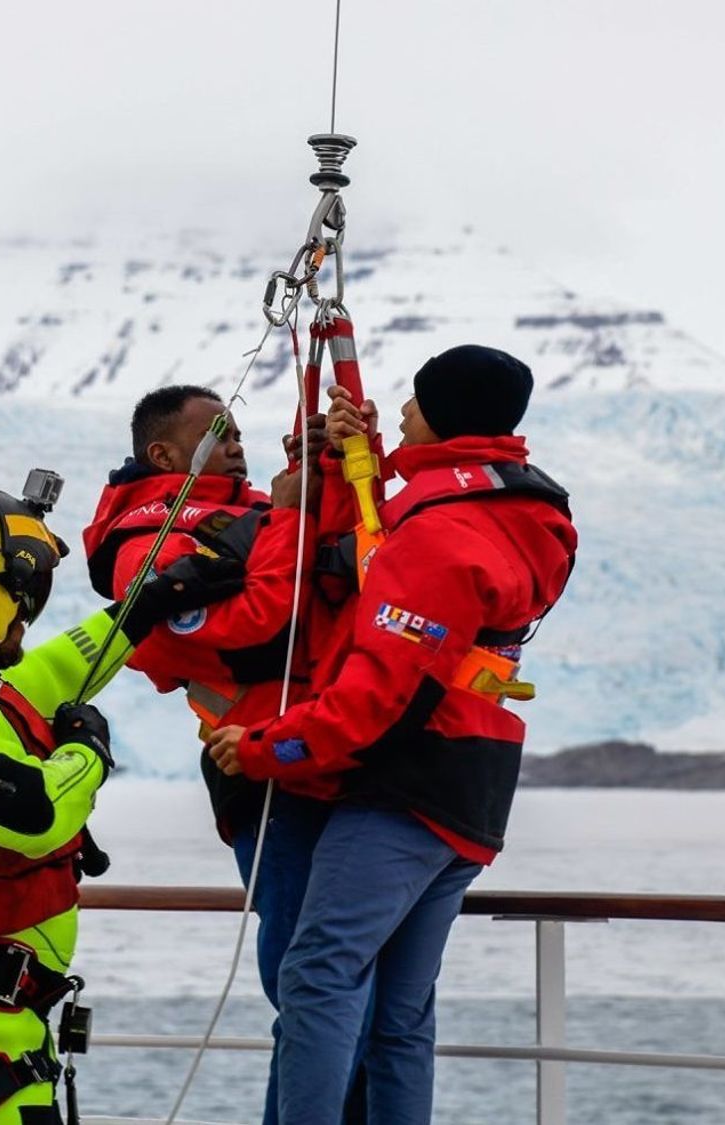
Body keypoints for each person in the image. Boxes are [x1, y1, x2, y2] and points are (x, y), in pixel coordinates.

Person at [207, 345, 579, 1124]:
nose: (402, 411)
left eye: (413, 401)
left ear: (444, 412)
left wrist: (265, 746)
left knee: (317, 973)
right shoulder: (520, 511)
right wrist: (361, 453)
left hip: (405, 788)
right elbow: (402, 560)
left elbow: (377, 694)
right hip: (475, 788)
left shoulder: (438, 535)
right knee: (400, 1013)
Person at [0, 473, 235, 1125]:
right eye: (19, 593)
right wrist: (89, 749)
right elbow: (36, 813)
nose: (27, 611)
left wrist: (151, 602)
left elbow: (61, 666)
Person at [81, 386, 367, 1124]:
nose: (236, 442)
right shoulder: (144, 550)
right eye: (217, 433)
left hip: (327, 751)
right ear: (163, 454)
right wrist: (294, 509)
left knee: (343, 988)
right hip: (262, 769)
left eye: (238, 430)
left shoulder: (248, 512)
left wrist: (327, 466)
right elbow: (259, 620)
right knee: (309, 987)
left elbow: (331, 569)